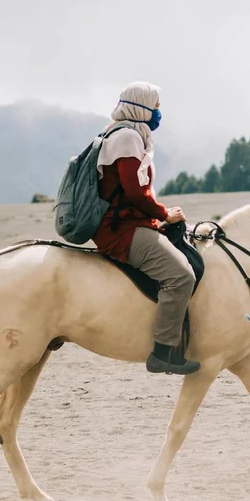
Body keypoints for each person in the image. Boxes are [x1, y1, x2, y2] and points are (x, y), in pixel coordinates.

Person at [92, 81, 200, 376]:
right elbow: (135, 193)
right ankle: (163, 352)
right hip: (121, 229)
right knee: (180, 276)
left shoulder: (118, 132)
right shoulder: (127, 137)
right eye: (155, 105)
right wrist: (165, 214)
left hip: (128, 222)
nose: (158, 111)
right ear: (140, 106)